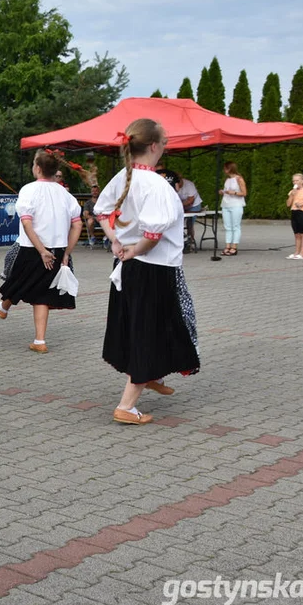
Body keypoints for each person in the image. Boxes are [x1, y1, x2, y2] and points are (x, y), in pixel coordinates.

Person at [95, 119, 200, 425]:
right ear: (154, 146)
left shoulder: (124, 177)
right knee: (150, 331)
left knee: (150, 328)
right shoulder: (156, 186)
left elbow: (101, 211)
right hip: (153, 270)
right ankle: (127, 405)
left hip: (131, 267)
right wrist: (132, 249)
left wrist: (116, 241)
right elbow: (152, 237)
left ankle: (149, 372)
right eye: (164, 142)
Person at [0, 150, 82, 353]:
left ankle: (3, 307)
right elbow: (77, 225)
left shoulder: (29, 190)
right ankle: (39, 340)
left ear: (38, 168)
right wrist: (66, 252)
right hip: (57, 250)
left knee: (19, 281)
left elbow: (26, 222)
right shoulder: (65, 194)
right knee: (41, 293)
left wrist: (41, 250)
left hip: (33, 248)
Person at [219, 161, 247, 256]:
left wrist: (234, 193)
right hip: (226, 204)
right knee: (227, 226)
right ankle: (227, 246)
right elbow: (227, 190)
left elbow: (244, 193)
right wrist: (223, 192)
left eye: (226, 168)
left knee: (235, 226)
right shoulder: (227, 180)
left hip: (236, 204)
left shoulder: (239, 179)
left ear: (230, 168)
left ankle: (234, 246)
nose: (224, 170)